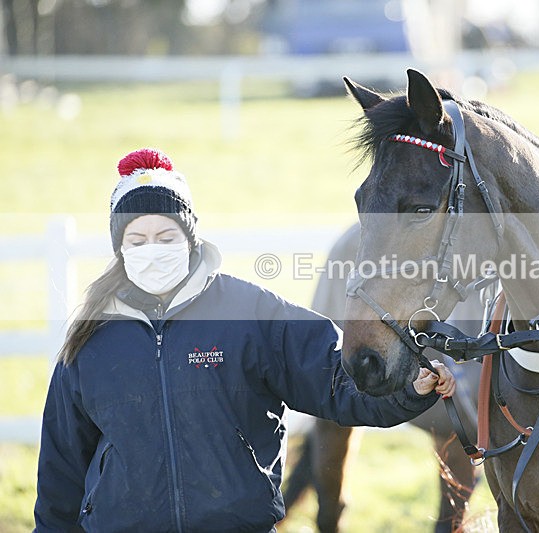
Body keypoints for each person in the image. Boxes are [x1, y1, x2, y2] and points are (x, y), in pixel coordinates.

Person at [33, 148, 455, 533]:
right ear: (119, 247)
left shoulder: (247, 313)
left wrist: (408, 388)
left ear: (190, 238)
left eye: (166, 237)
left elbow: (334, 380)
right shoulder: (92, 340)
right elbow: (61, 469)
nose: (153, 251)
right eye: (137, 240)